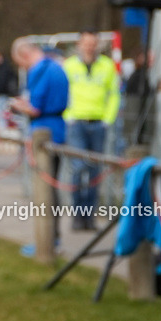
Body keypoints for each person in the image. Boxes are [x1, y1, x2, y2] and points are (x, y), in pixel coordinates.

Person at [10, 40, 69, 248]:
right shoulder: (57, 67)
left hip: (43, 133)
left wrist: (17, 106)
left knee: (44, 187)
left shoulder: (40, 70)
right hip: (59, 130)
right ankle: (54, 238)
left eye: (20, 63)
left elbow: (35, 108)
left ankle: (48, 241)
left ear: (25, 55)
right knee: (51, 185)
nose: (23, 68)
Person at [62, 31, 120, 230]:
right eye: (86, 43)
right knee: (78, 169)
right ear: (79, 44)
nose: (89, 47)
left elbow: (114, 94)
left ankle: (90, 216)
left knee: (95, 171)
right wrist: (67, 115)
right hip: (76, 122)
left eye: (93, 43)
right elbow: (62, 91)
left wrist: (108, 118)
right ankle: (78, 215)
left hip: (98, 123)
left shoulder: (107, 66)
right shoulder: (69, 66)